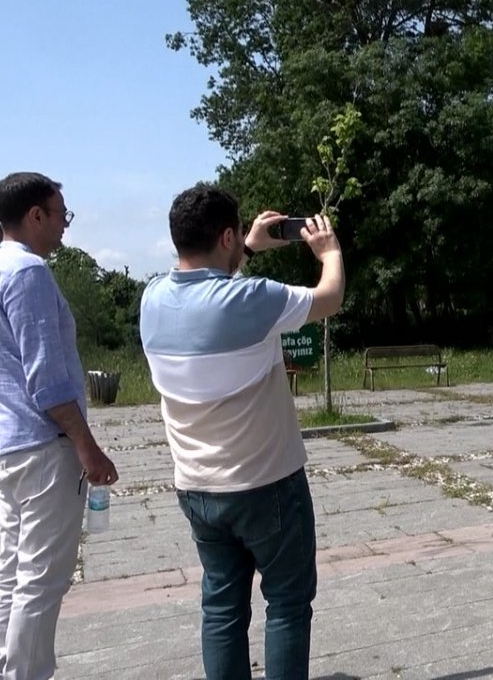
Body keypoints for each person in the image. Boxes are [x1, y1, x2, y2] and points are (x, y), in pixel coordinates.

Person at [139, 184, 344, 680]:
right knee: (288, 604)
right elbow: (330, 298)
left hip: (196, 488)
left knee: (223, 607)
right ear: (226, 234)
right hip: (266, 484)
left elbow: (209, 290)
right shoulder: (252, 297)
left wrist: (247, 247)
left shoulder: (152, 299)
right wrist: (330, 251)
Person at [0, 171, 120, 680]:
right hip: (42, 443)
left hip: (2, 443)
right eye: (62, 214)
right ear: (35, 215)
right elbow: (48, 377)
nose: (65, 226)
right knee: (42, 578)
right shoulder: (28, 273)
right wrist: (88, 448)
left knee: (12, 570)